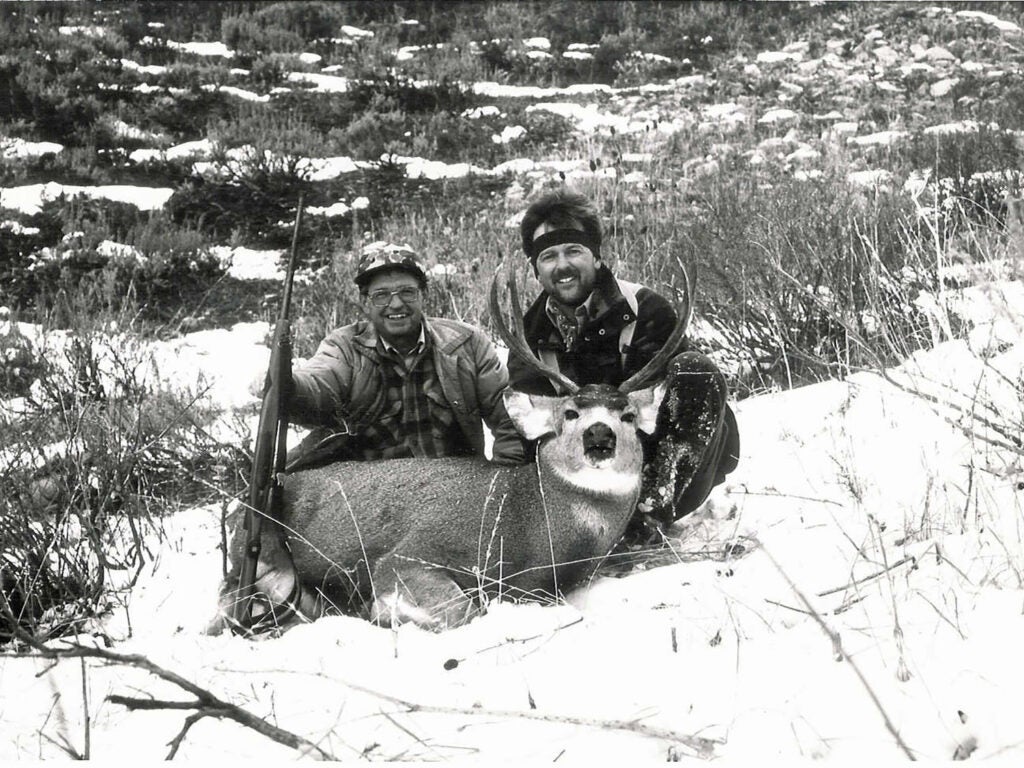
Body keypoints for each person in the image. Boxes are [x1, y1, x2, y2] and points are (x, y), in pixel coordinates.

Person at [509, 189, 740, 537]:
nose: (562, 265)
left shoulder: (646, 308)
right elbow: (534, 435)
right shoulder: (527, 336)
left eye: (574, 251)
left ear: (597, 258)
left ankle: (647, 517)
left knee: (695, 369)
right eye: (549, 256)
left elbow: (674, 404)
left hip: (663, 471)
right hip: (584, 481)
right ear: (536, 270)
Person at [285, 242, 526, 471]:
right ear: (364, 302)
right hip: (370, 498)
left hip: (456, 495)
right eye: (381, 295)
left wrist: (503, 484)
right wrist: (290, 385)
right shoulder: (344, 348)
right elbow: (320, 383)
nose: (396, 304)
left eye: (407, 292)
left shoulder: (467, 344)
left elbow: (509, 421)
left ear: (424, 295)